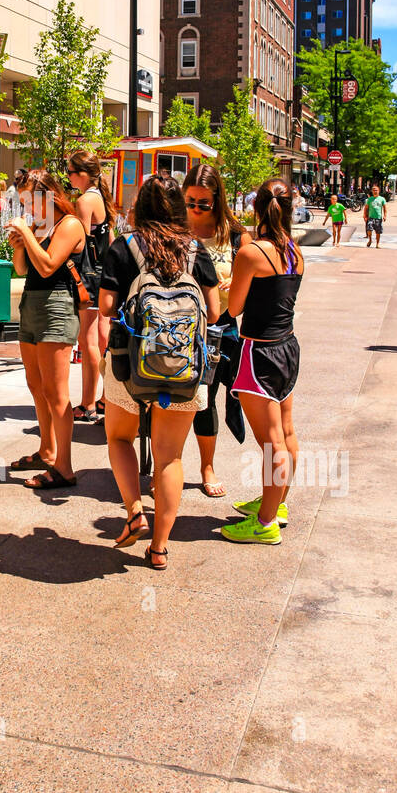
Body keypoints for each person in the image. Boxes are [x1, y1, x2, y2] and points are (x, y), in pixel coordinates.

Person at [98, 176, 220, 565]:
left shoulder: (125, 246)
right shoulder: (196, 250)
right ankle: (160, 547)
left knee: (119, 439)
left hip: (128, 363)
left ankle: (135, 512)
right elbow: (215, 313)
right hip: (184, 367)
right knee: (169, 458)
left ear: (141, 207)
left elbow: (104, 306)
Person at [222, 179, 304, 545]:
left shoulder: (252, 252)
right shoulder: (295, 252)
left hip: (258, 353)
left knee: (272, 443)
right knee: (286, 433)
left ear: (257, 209)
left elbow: (234, 309)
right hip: (287, 347)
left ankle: (265, 522)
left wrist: (230, 286)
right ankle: (278, 503)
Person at [7, 169, 86, 490]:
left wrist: (26, 233)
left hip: (57, 307)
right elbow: (24, 268)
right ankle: (47, 449)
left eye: (30, 199)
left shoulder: (70, 224)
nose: (26, 206)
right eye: (22, 200)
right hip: (32, 305)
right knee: (36, 383)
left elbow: (50, 265)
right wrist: (18, 245)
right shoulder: (39, 226)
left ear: (49, 195)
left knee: (56, 392)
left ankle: (64, 467)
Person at [182, 164, 252, 497]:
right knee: (176, 401)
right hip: (177, 328)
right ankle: (168, 462)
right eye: (190, 202)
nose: (195, 209)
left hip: (221, 327)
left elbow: (254, 281)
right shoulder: (175, 231)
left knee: (209, 398)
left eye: (203, 203)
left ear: (217, 200)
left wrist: (235, 281)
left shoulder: (236, 235)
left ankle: (207, 467)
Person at [66, 150, 116, 423]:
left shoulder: (86, 201)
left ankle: (88, 403)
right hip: (104, 274)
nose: (68, 177)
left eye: (71, 172)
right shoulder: (102, 198)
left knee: (88, 340)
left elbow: (79, 244)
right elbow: (109, 239)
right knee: (101, 338)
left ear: (83, 174)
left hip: (89, 275)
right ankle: (108, 397)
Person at [364, 184, 387, 249]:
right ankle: (370, 240)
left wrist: (385, 216)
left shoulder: (382, 199)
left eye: (376, 190)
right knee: (369, 229)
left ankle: (377, 244)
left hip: (378, 218)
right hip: (371, 217)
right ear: (372, 191)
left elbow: (385, 208)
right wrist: (365, 215)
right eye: (373, 190)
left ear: (378, 191)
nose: (375, 191)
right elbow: (366, 208)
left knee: (378, 232)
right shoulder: (370, 199)